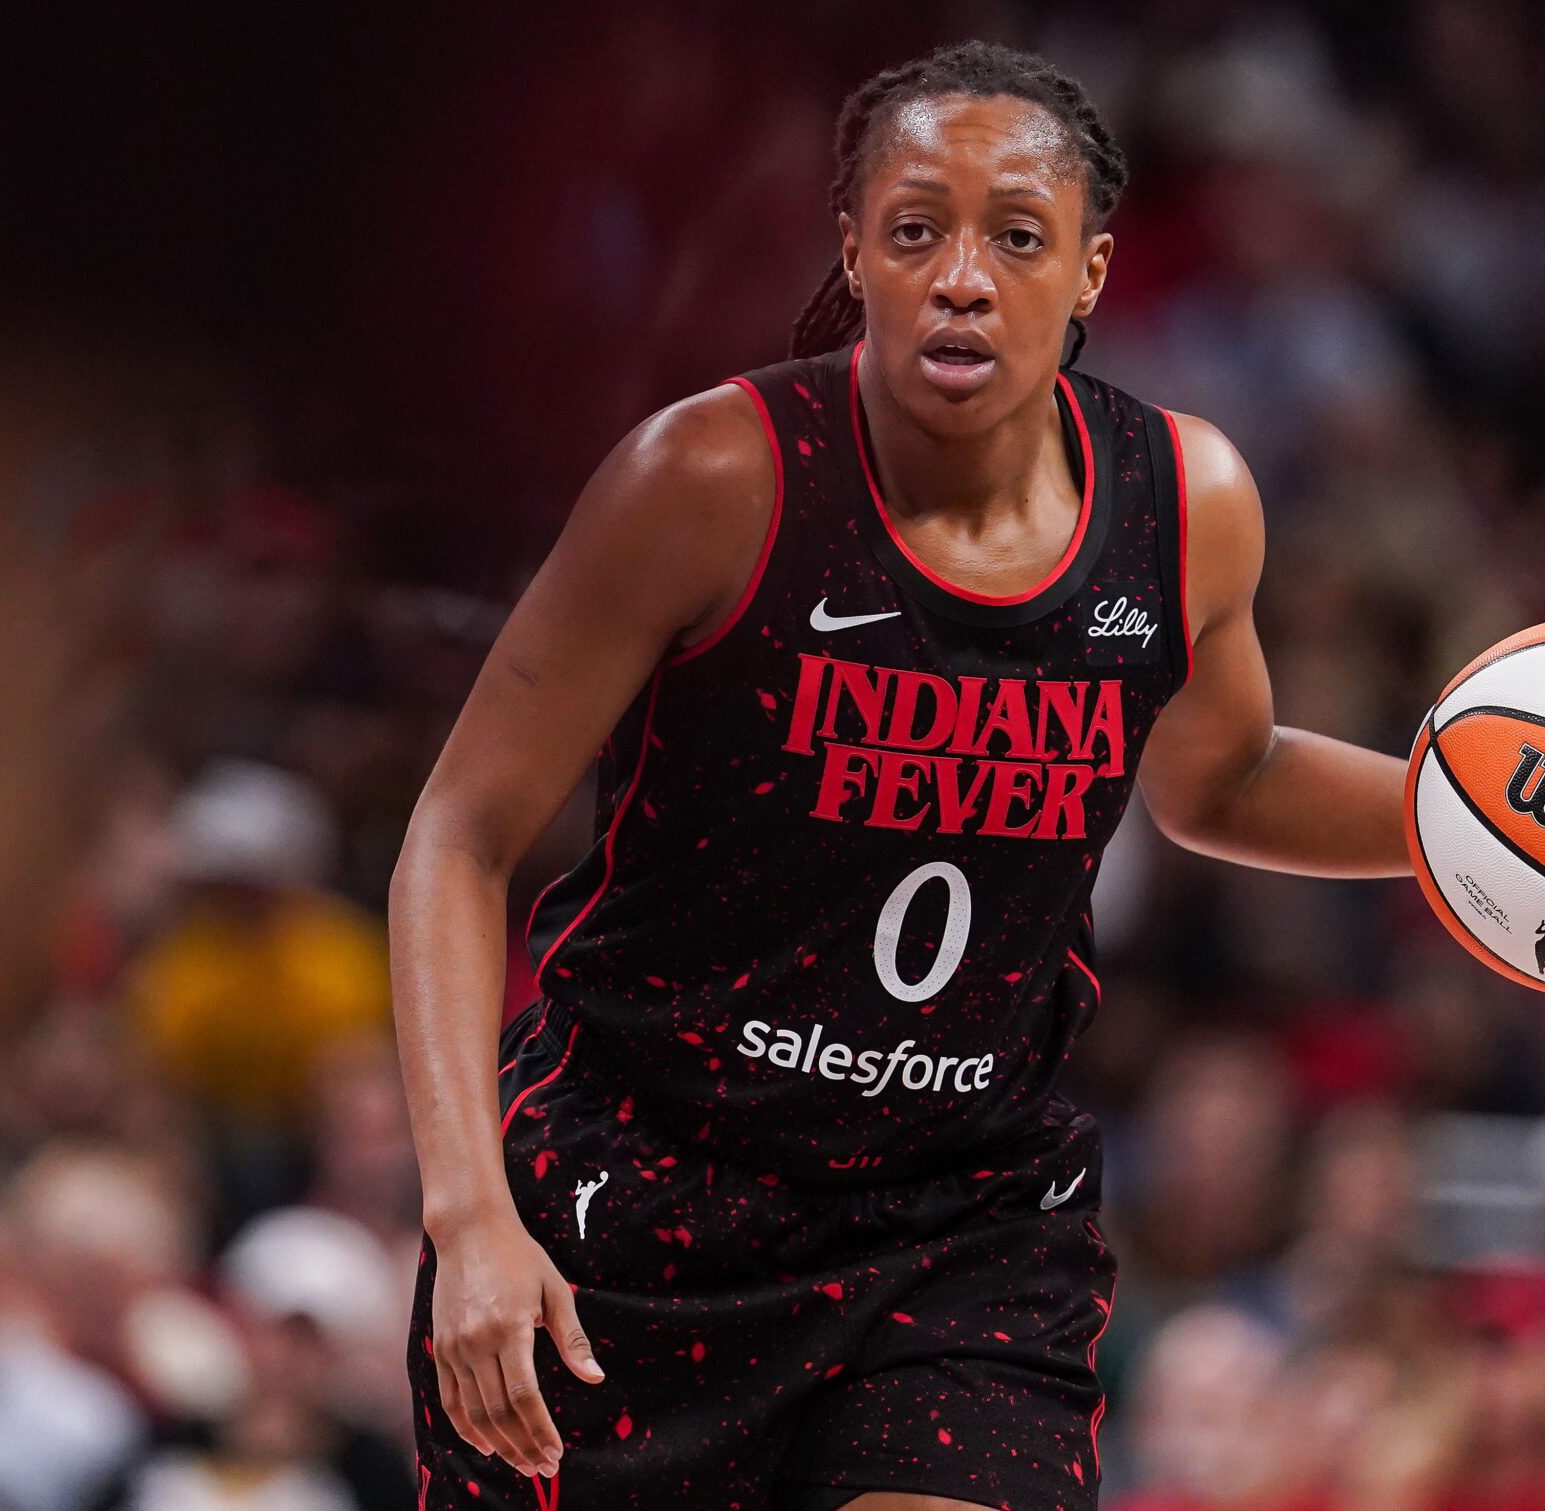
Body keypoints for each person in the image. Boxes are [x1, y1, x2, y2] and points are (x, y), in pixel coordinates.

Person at [390, 42, 1416, 1511]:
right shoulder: (706, 482)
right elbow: (456, 832)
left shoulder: (1188, 504)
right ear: (855, 254)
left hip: (959, 1220)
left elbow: (1225, 780)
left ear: (1092, 274)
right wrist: (469, 1212)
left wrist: (1467, 829)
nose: (962, 275)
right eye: (917, 228)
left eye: (1016, 235)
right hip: (639, 1201)